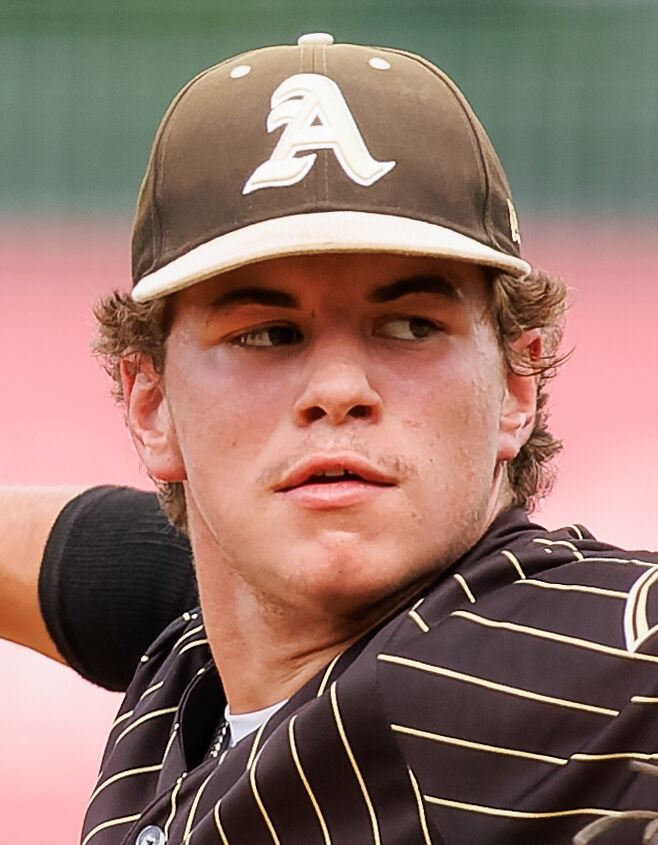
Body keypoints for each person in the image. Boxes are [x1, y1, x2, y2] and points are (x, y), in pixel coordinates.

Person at [6, 32, 658, 845]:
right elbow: (113, 568)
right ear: (152, 405)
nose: (340, 388)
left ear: (517, 385)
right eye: (267, 334)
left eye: (411, 325)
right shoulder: (204, 643)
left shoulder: (600, 661)